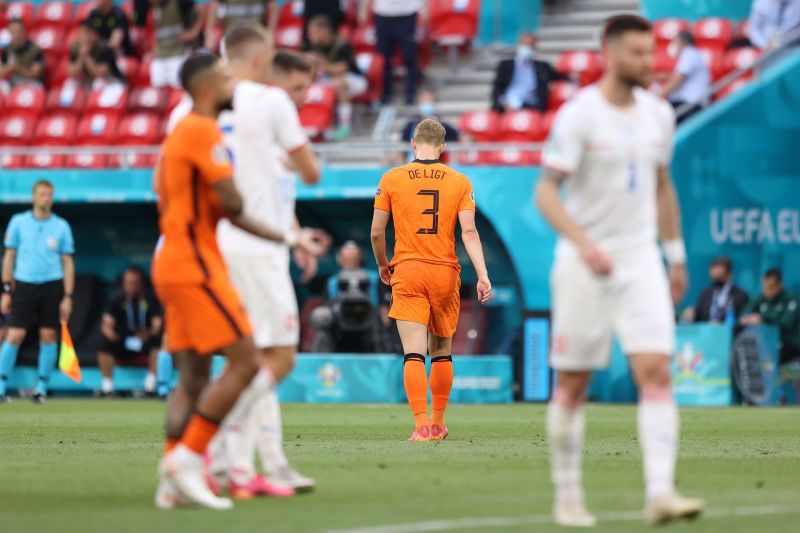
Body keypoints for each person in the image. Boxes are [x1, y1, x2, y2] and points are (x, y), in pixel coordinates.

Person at [535, 15, 705, 527]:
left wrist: (674, 254)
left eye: (651, 53)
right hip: (584, 264)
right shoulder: (579, 116)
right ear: (608, 54)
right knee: (573, 382)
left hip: (639, 261)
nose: (648, 63)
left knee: (655, 370)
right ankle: (567, 495)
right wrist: (584, 244)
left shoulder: (659, 115)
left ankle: (661, 492)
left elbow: (662, 186)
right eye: (637, 53)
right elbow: (545, 192)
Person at [152, 53, 317, 510]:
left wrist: (287, 234)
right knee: (247, 360)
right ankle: (190, 457)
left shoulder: (181, 132)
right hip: (196, 266)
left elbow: (159, 185)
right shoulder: (203, 131)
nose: (234, 85)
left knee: (191, 379)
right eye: (226, 79)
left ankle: (171, 484)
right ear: (207, 89)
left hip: (171, 259)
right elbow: (235, 202)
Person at [371, 117, 493, 442]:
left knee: (413, 353)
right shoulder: (459, 181)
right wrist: (482, 275)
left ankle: (421, 424)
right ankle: (438, 424)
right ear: (442, 147)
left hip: (408, 268)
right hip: (444, 271)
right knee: (441, 351)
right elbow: (468, 231)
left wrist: (384, 264)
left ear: (413, 142)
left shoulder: (392, 178)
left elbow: (376, 232)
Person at [0, 180, 74, 404]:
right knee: (14, 335)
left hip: (52, 285)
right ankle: (1, 385)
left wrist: (68, 296)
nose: (45, 198)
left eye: (49, 195)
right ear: (33, 197)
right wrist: (5, 290)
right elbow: (9, 257)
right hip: (24, 284)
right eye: (41, 194)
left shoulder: (61, 226)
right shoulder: (18, 222)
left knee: (48, 336)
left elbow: (68, 262)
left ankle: (41, 386)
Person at [97, 266, 163, 397]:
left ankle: (150, 385)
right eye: (128, 282)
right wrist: (111, 334)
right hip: (122, 339)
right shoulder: (116, 298)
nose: (131, 286)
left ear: (141, 283)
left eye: (134, 283)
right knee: (104, 344)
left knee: (159, 343)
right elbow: (106, 324)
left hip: (145, 339)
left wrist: (148, 333)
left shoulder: (150, 298)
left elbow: (157, 324)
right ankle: (107, 387)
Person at [304, 14, 368, 140]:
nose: (310, 35)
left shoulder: (341, 44)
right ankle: (317, 126)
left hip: (354, 80)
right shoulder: (313, 46)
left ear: (325, 31)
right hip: (330, 79)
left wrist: (321, 61)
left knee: (339, 83)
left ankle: (345, 126)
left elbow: (341, 69)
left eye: (314, 32)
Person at [359, 0, 427, 105]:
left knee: (409, 56)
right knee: (384, 58)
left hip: (407, 14)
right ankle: (385, 94)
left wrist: (425, 8)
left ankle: (410, 94)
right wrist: (363, 9)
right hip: (383, 14)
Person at [491, 32, 571, 113]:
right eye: (525, 44)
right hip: (509, 104)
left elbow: (559, 76)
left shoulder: (542, 67)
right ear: (519, 45)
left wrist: (573, 75)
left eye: (531, 45)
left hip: (532, 107)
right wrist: (503, 103)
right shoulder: (506, 65)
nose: (528, 48)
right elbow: (497, 88)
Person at [741, 269, 800, 364]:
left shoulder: (790, 299)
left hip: (788, 343)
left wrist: (762, 319)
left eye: (771, 287)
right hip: (766, 343)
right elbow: (746, 312)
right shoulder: (761, 298)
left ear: (780, 284)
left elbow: (786, 323)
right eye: (765, 286)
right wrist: (748, 318)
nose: (767, 290)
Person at [149, 0, 206, 88]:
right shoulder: (154, 7)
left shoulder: (180, 2)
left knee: (178, 88)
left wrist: (194, 32)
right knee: (157, 90)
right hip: (160, 54)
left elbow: (201, 10)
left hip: (178, 52)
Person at [658, 31, 710, 123]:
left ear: (682, 43)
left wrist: (657, 97)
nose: (672, 46)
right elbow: (674, 76)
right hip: (684, 105)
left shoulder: (690, 54)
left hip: (690, 107)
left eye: (674, 42)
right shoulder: (690, 55)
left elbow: (676, 80)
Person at [67, 21, 125, 89]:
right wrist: (81, 58)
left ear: (96, 35)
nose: (86, 38)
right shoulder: (76, 48)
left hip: (113, 83)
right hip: (90, 82)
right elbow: (71, 72)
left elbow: (101, 73)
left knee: (98, 82)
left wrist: (86, 57)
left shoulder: (104, 48)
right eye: (83, 35)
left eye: (89, 34)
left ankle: (94, 99)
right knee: (70, 83)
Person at [692, 257, 749, 323]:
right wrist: (691, 315)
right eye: (714, 277)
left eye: (720, 276)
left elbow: (742, 320)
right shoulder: (705, 294)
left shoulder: (740, 296)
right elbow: (697, 317)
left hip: (728, 332)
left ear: (729, 275)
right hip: (706, 331)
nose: (716, 279)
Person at [204, 0, 278, 50]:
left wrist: (269, 33)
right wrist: (209, 36)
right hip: (231, 36)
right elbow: (214, 8)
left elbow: (274, 9)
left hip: (255, 36)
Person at [0, 19, 44, 94]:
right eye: (13, 32)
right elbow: (1, 73)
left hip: (31, 82)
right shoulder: (7, 49)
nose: (16, 35)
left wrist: (18, 68)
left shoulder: (35, 49)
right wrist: (8, 68)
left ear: (24, 31)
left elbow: (36, 75)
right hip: (13, 82)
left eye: (19, 32)